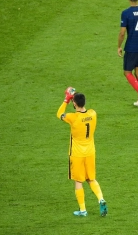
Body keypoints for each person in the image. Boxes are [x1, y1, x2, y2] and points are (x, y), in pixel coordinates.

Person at [56, 87, 108, 217]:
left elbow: (59, 114)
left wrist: (66, 99)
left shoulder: (72, 117)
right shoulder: (93, 113)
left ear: (74, 103)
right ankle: (101, 199)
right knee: (91, 179)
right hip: (90, 152)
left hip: (77, 154)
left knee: (78, 181)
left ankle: (83, 210)